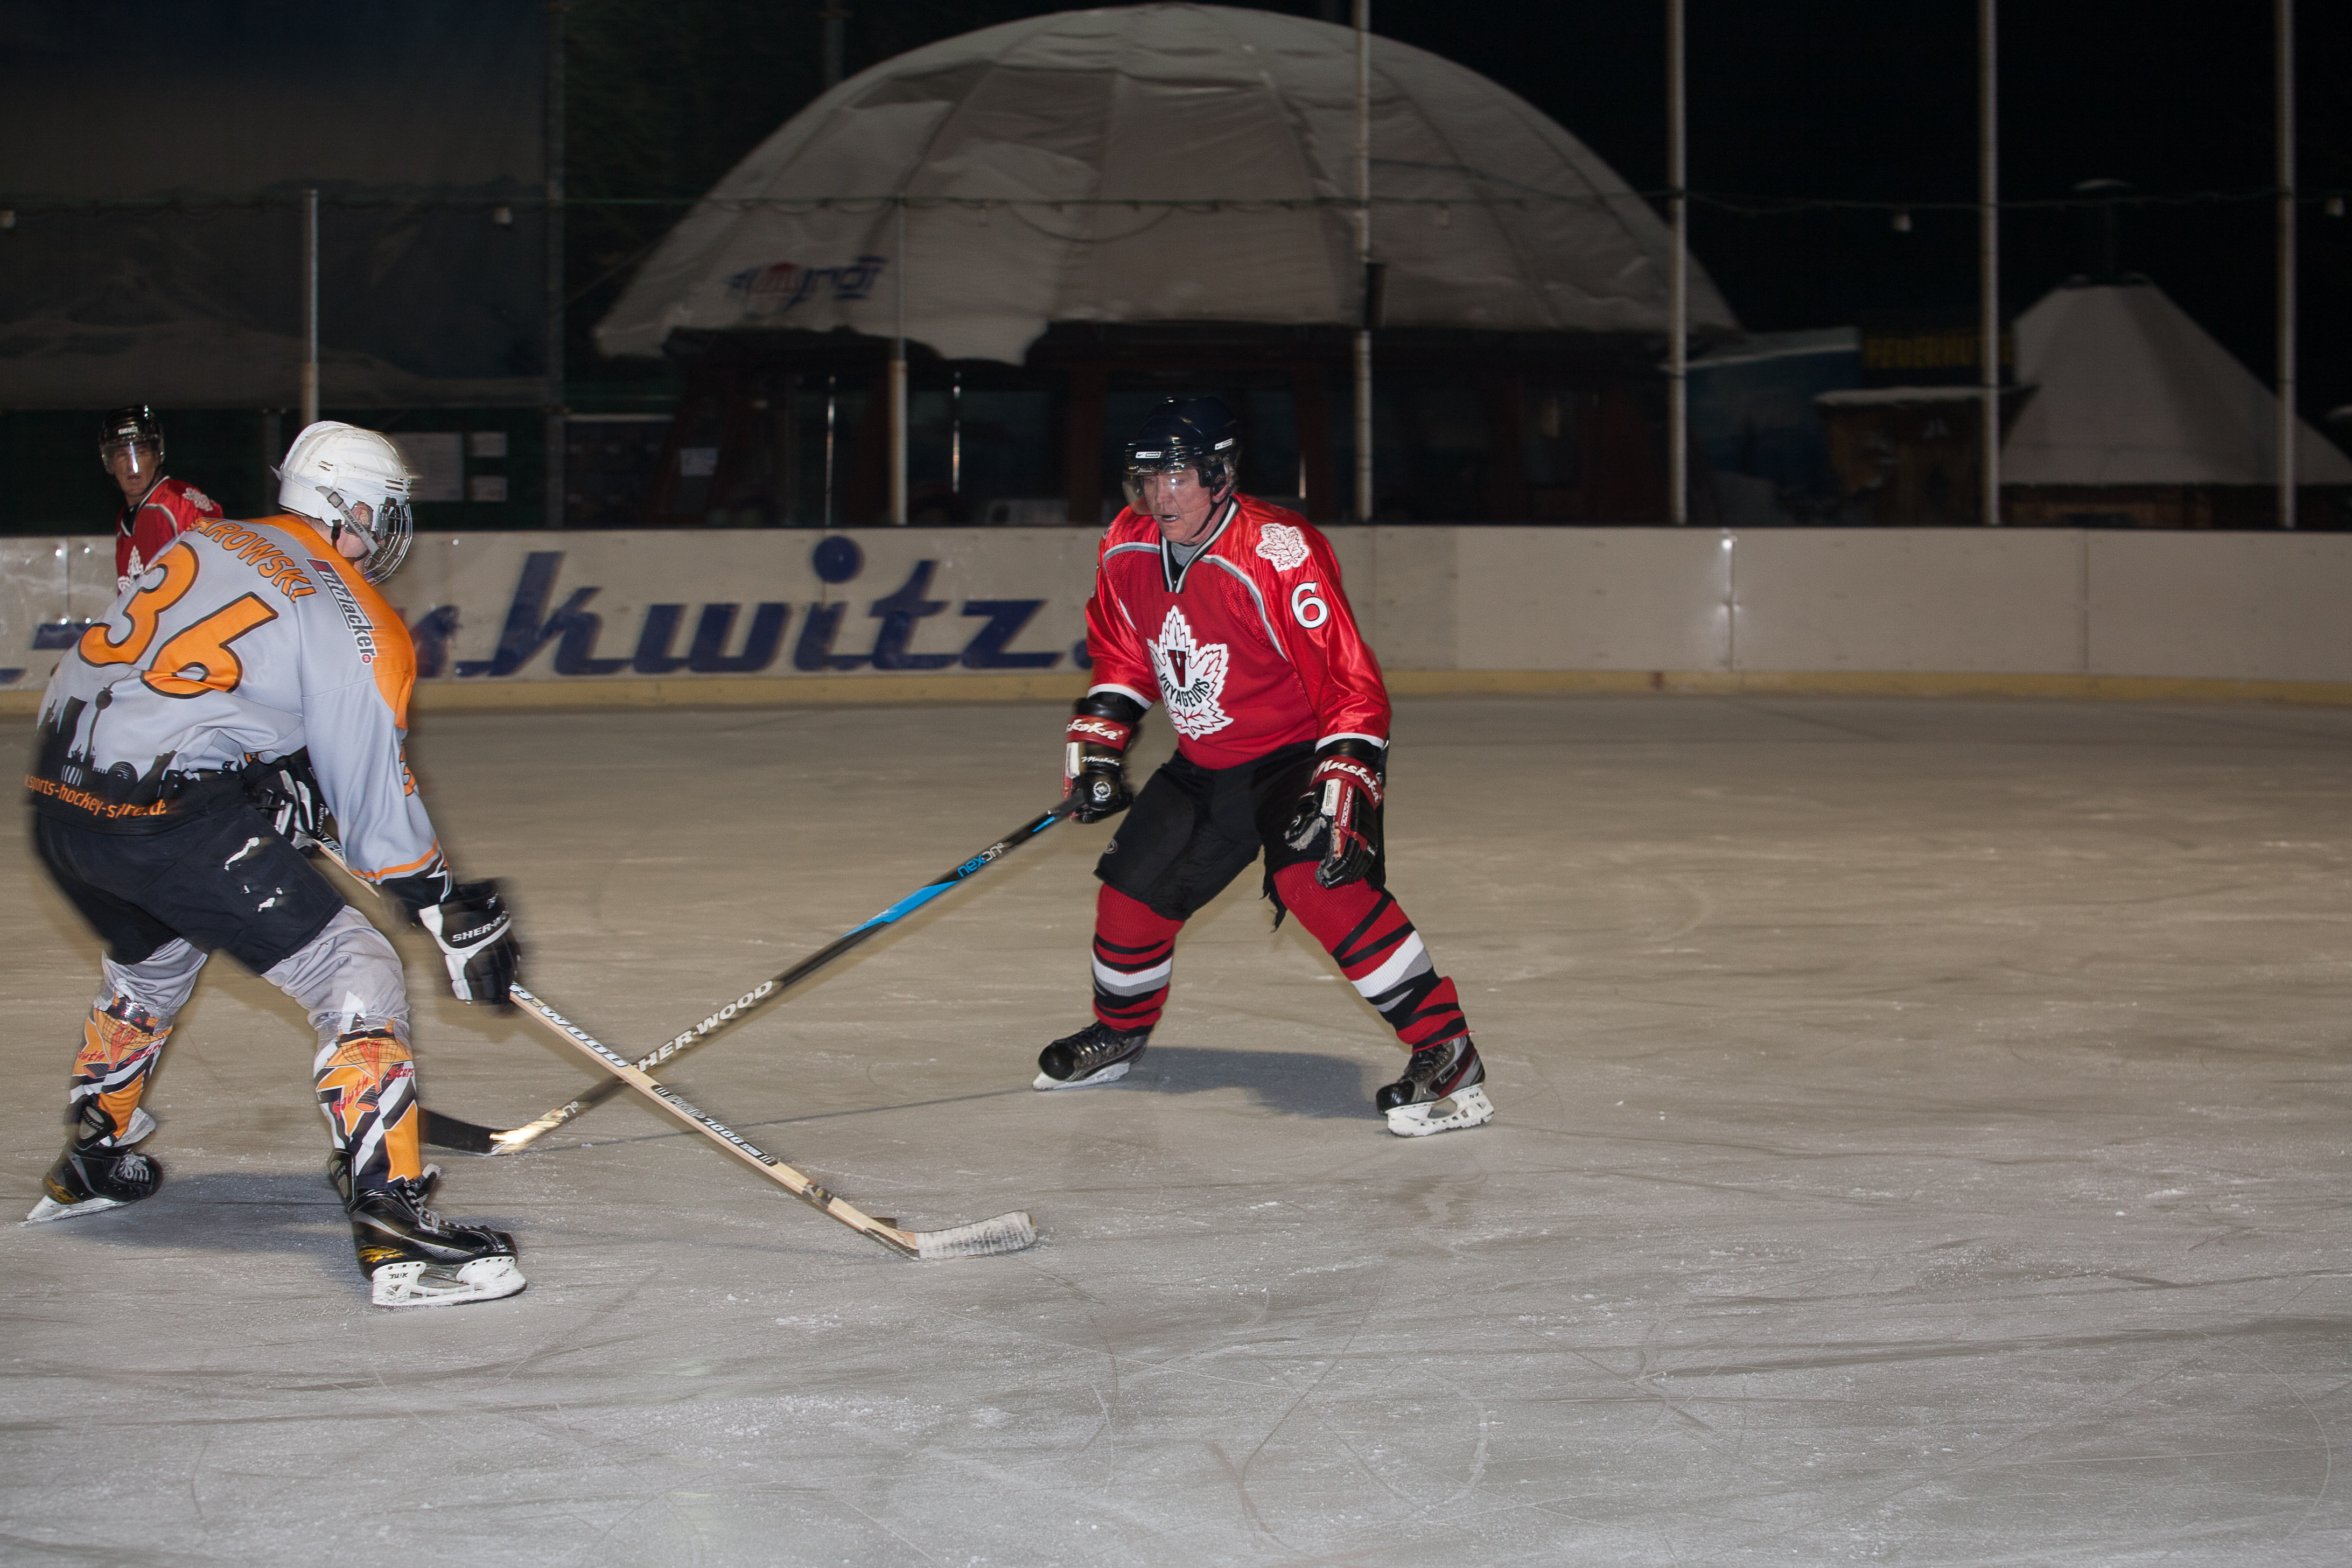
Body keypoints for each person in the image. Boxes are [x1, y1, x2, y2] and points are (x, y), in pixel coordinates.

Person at [24, 420, 529, 1308]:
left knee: (155, 960)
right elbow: (374, 797)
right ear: (353, 512)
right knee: (356, 967)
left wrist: (260, 774)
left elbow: (161, 680)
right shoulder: (354, 614)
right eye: (383, 512)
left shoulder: (213, 540)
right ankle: (392, 1223)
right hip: (164, 818)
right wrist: (444, 904)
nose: (388, 531)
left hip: (60, 805)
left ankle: (93, 1153)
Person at [1037, 396, 1493, 1136]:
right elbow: (1124, 651)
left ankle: (1449, 1050)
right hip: (1205, 762)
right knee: (1130, 895)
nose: (1160, 496)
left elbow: (1347, 680)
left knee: (1321, 884)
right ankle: (1119, 1030)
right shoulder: (1125, 543)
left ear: (1220, 476)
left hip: (1296, 758)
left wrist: (1344, 776)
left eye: (1177, 478)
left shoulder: (1276, 552)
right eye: (1148, 479)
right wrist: (1101, 738)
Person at [100, 405, 223, 593]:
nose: (131, 465)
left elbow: (219, 575)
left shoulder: (180, 503)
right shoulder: (125, 518)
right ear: (110, 463)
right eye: (121, 456)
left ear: (157, 456)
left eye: (141, 453)